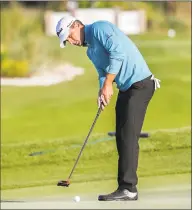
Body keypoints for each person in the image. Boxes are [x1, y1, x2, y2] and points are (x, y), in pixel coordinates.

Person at [56, 15, 160, 201]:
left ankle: (129, 188)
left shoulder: (99, 28)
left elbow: (118, 53)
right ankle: (127, 187)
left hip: (141, 85)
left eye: (69, 36)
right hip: (127, 88)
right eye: (67, 41)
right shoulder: (90, 52)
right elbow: (102, 73)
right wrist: (102, 90)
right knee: (122, 136)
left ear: (77, 25)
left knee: (128, 135)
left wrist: (109, 84)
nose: (71, 41)